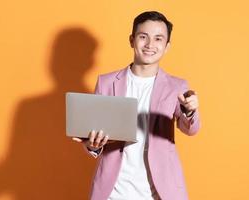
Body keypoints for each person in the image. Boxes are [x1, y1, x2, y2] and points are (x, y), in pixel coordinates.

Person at [73, 11, 201, 200]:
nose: (150, 45)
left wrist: (189, 111)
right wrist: (92, 146)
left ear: (167, 46)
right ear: (132, 40)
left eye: (158, 39)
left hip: (160, 191)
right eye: (143, 37)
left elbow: (190, 130)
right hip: (114, 192)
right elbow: (94, 138)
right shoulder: (106, 82)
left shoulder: (177, 86)